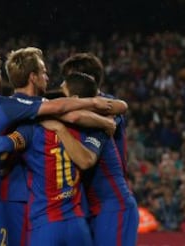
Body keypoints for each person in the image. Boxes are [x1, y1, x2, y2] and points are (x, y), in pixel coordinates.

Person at [0, 49, 117, 246]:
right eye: (43, 71)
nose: (47, 76)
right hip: (6, 198)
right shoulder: (8, 107)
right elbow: (61, 113)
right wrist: (97, 107)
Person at [60, 72, 139, 246]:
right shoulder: (95, 119)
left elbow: (86, 160)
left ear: (74, 98)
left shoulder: (99, 123)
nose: (58, 99)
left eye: (62, 91)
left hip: (115, 207)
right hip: (95, 208)